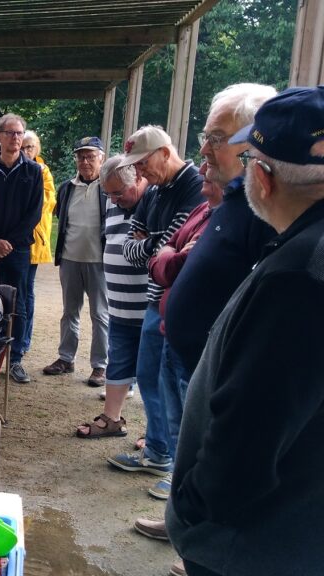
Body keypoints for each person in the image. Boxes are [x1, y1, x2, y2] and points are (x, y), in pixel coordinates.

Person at [166, 85, 324, 576]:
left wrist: (192, 511)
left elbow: (250, 437)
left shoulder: (300, 279)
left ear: (262, 176)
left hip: (255, 543)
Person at [132, 84, 277, 560]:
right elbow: (157, 252)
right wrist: (170, 255)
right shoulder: (228, 201)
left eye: (215, 137)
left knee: (210, 448)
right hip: (185, 346)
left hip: (217, 363)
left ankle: (196, 538)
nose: (204, 150)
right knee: (183, 437)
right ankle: (179, 520)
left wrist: (166, 255)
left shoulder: (263, 209)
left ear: (256, 142)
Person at [106, 126, 202, 483]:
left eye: (143, 163)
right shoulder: (156, 192)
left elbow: (178, 251)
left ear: (164, 152)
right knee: (149, 377)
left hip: (179, 301)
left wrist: (155, 245)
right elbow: (133, 249)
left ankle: (178, 471)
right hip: (154, 298)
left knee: (176, 387)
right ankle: (158, 451)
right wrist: (157, 246)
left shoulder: (194, 187)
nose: (140, 172)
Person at [75, 155, 148, 439]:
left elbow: (151, 248)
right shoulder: (113, 199)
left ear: (139, 179)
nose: (114, 199)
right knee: (117, 360)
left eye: (119, 192)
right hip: (118, 301)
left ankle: (156, 436)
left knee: (152, 373)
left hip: (146, 303)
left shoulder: (152, 201)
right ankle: (112, 418)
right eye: (109, 193)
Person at [0, 113, 44, 383]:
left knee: (19, 304)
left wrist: (9, 242)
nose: (15, 138)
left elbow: (34, 213)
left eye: (19, 133)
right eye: (10, 133)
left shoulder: (33, 171)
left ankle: (15, 358)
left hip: (17, 250)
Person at [43, 137, 109, 387]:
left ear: (101, 158)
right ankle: (65, 358)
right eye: (81, 156)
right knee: (69, 312)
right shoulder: (67, 187)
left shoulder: (110, 186)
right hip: (70, 258)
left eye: (90, 156)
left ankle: (99, 366)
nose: (85, 161)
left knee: (100, 314)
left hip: (99, 261)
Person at [20, 130, 56, 358]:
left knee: (26, 292)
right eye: (23, 147)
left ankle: (23, 342)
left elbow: (45, 202)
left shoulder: (43, 172)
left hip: (32, 241)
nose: (25, 151)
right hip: (11, 242)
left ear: (37, 149)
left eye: (29, 147)